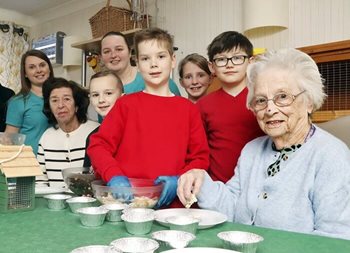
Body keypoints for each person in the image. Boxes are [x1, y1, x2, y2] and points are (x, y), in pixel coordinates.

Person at [177, 48, 350, 240]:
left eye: (282, 97)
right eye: (260, 100)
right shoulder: (252, 150)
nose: (269, 109)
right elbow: (231, 205)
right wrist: (199, 179)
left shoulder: (331, 156)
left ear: (309, 101)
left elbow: (335, 238)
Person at [88, 28, 209, 209]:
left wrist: (179, 180)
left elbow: (200, 158)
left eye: (161, 57)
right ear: (137, 63)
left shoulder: (189, 110)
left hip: (172, 208)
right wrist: (113, 175)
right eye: (145, 58)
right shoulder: (125, 105)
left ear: (173, 60)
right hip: (128, 204)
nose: (153, 64)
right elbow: (98, 145)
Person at [196, 31, 265, 183]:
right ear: (211, 67)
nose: (229, 64)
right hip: (219, 187)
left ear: (251, 62)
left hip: (260, 184)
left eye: (237, 58)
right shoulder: (203, 105)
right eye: (221, 59)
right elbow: (199, 152)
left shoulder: (264, 99)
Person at [36, 78, 99, 188]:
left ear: (76, 105)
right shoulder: (46, 137)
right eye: (54, 100)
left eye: (67, 99)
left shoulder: (96, 131)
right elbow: (40, 181)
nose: (60, 105)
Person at [100, 31, 181, 96]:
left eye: (119, 49)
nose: (113, 55)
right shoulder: (101, 89)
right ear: (101, 57)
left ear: (130, 52)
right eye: (106, 51)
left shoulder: (159, 80)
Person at [5, 49, 54, 154]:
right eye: (32, 67)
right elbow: (8, 141)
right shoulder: (18, 102)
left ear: (49, 68)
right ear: (25, 73)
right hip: (30, 164)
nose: (38, 70)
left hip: (57, 161)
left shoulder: (60, 98)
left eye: (42, 65)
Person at [83, 70, 124, 168]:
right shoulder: (93, 137)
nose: (101, 100)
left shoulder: (133, 130)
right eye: (95, 95)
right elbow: (88, 175)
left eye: (108, 93)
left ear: (122, 97)